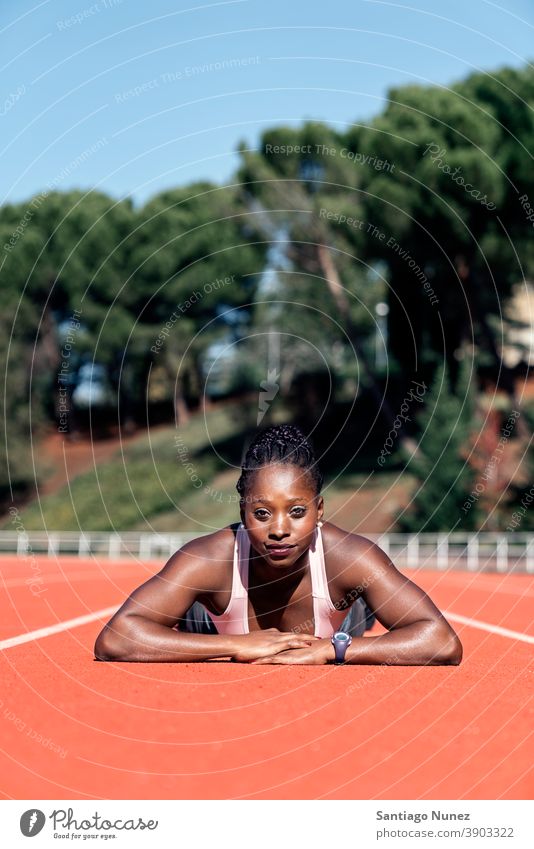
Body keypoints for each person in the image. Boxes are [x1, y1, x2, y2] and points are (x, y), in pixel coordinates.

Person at [94, 425, 462, 665]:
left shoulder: (349, 556)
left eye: (297, 511)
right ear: (242, 511)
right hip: (212, 624)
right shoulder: (209, 558)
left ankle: (352, 612)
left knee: (358, 609)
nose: (280, 530)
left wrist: (334, 648)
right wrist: (237, 645)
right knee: (188, 607)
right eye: (263, 513)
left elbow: (442, 641)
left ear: (319, 510)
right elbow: (116, 638)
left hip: (339, 618)